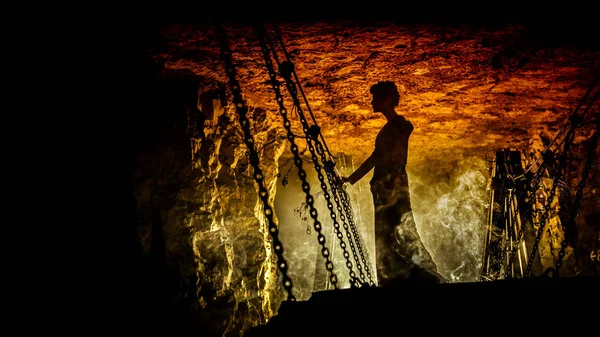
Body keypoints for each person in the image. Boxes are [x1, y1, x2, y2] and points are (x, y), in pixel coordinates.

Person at [341, 81, 446, 286]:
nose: (371, 102)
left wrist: (392, 184)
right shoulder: (392, 127)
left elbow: (392, 157)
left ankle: (412, 279)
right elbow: (376, 156)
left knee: (397, 230)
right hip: (385, 187)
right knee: (388, 233)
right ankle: (393, 279)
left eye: (375, 98)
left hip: (390, 187)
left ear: (386, 99)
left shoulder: (398, 126)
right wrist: (351, 180)